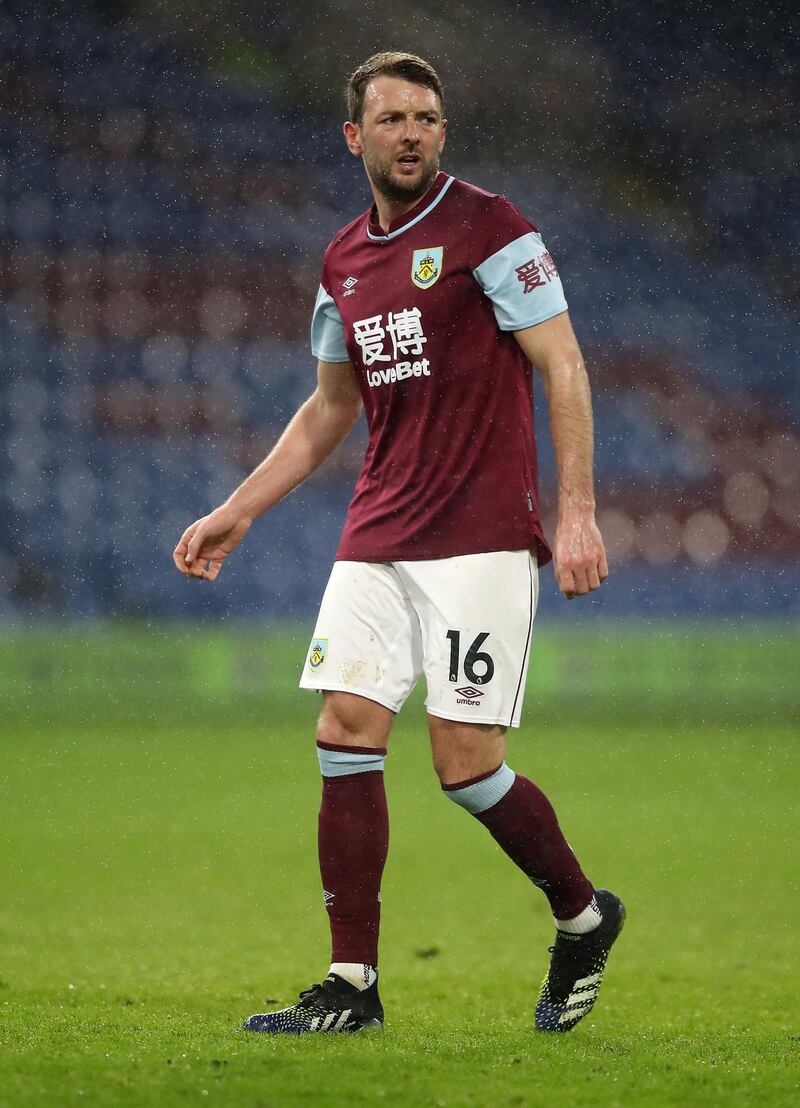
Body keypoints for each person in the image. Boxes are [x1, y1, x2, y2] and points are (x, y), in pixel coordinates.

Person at [173, 51, 624, 1036]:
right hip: (376, 531)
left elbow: (562, 361)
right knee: (343, 729)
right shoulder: (343, 260)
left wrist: (576, 510)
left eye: (426, 118)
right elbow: (329, 407)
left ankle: (583, 916)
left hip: (478, 538)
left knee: (463, 766)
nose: (411, 133)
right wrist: (237, 508)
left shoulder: (490, 228)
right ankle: (352, 984)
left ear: (441, 133)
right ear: (356, 136)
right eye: (392, 119)